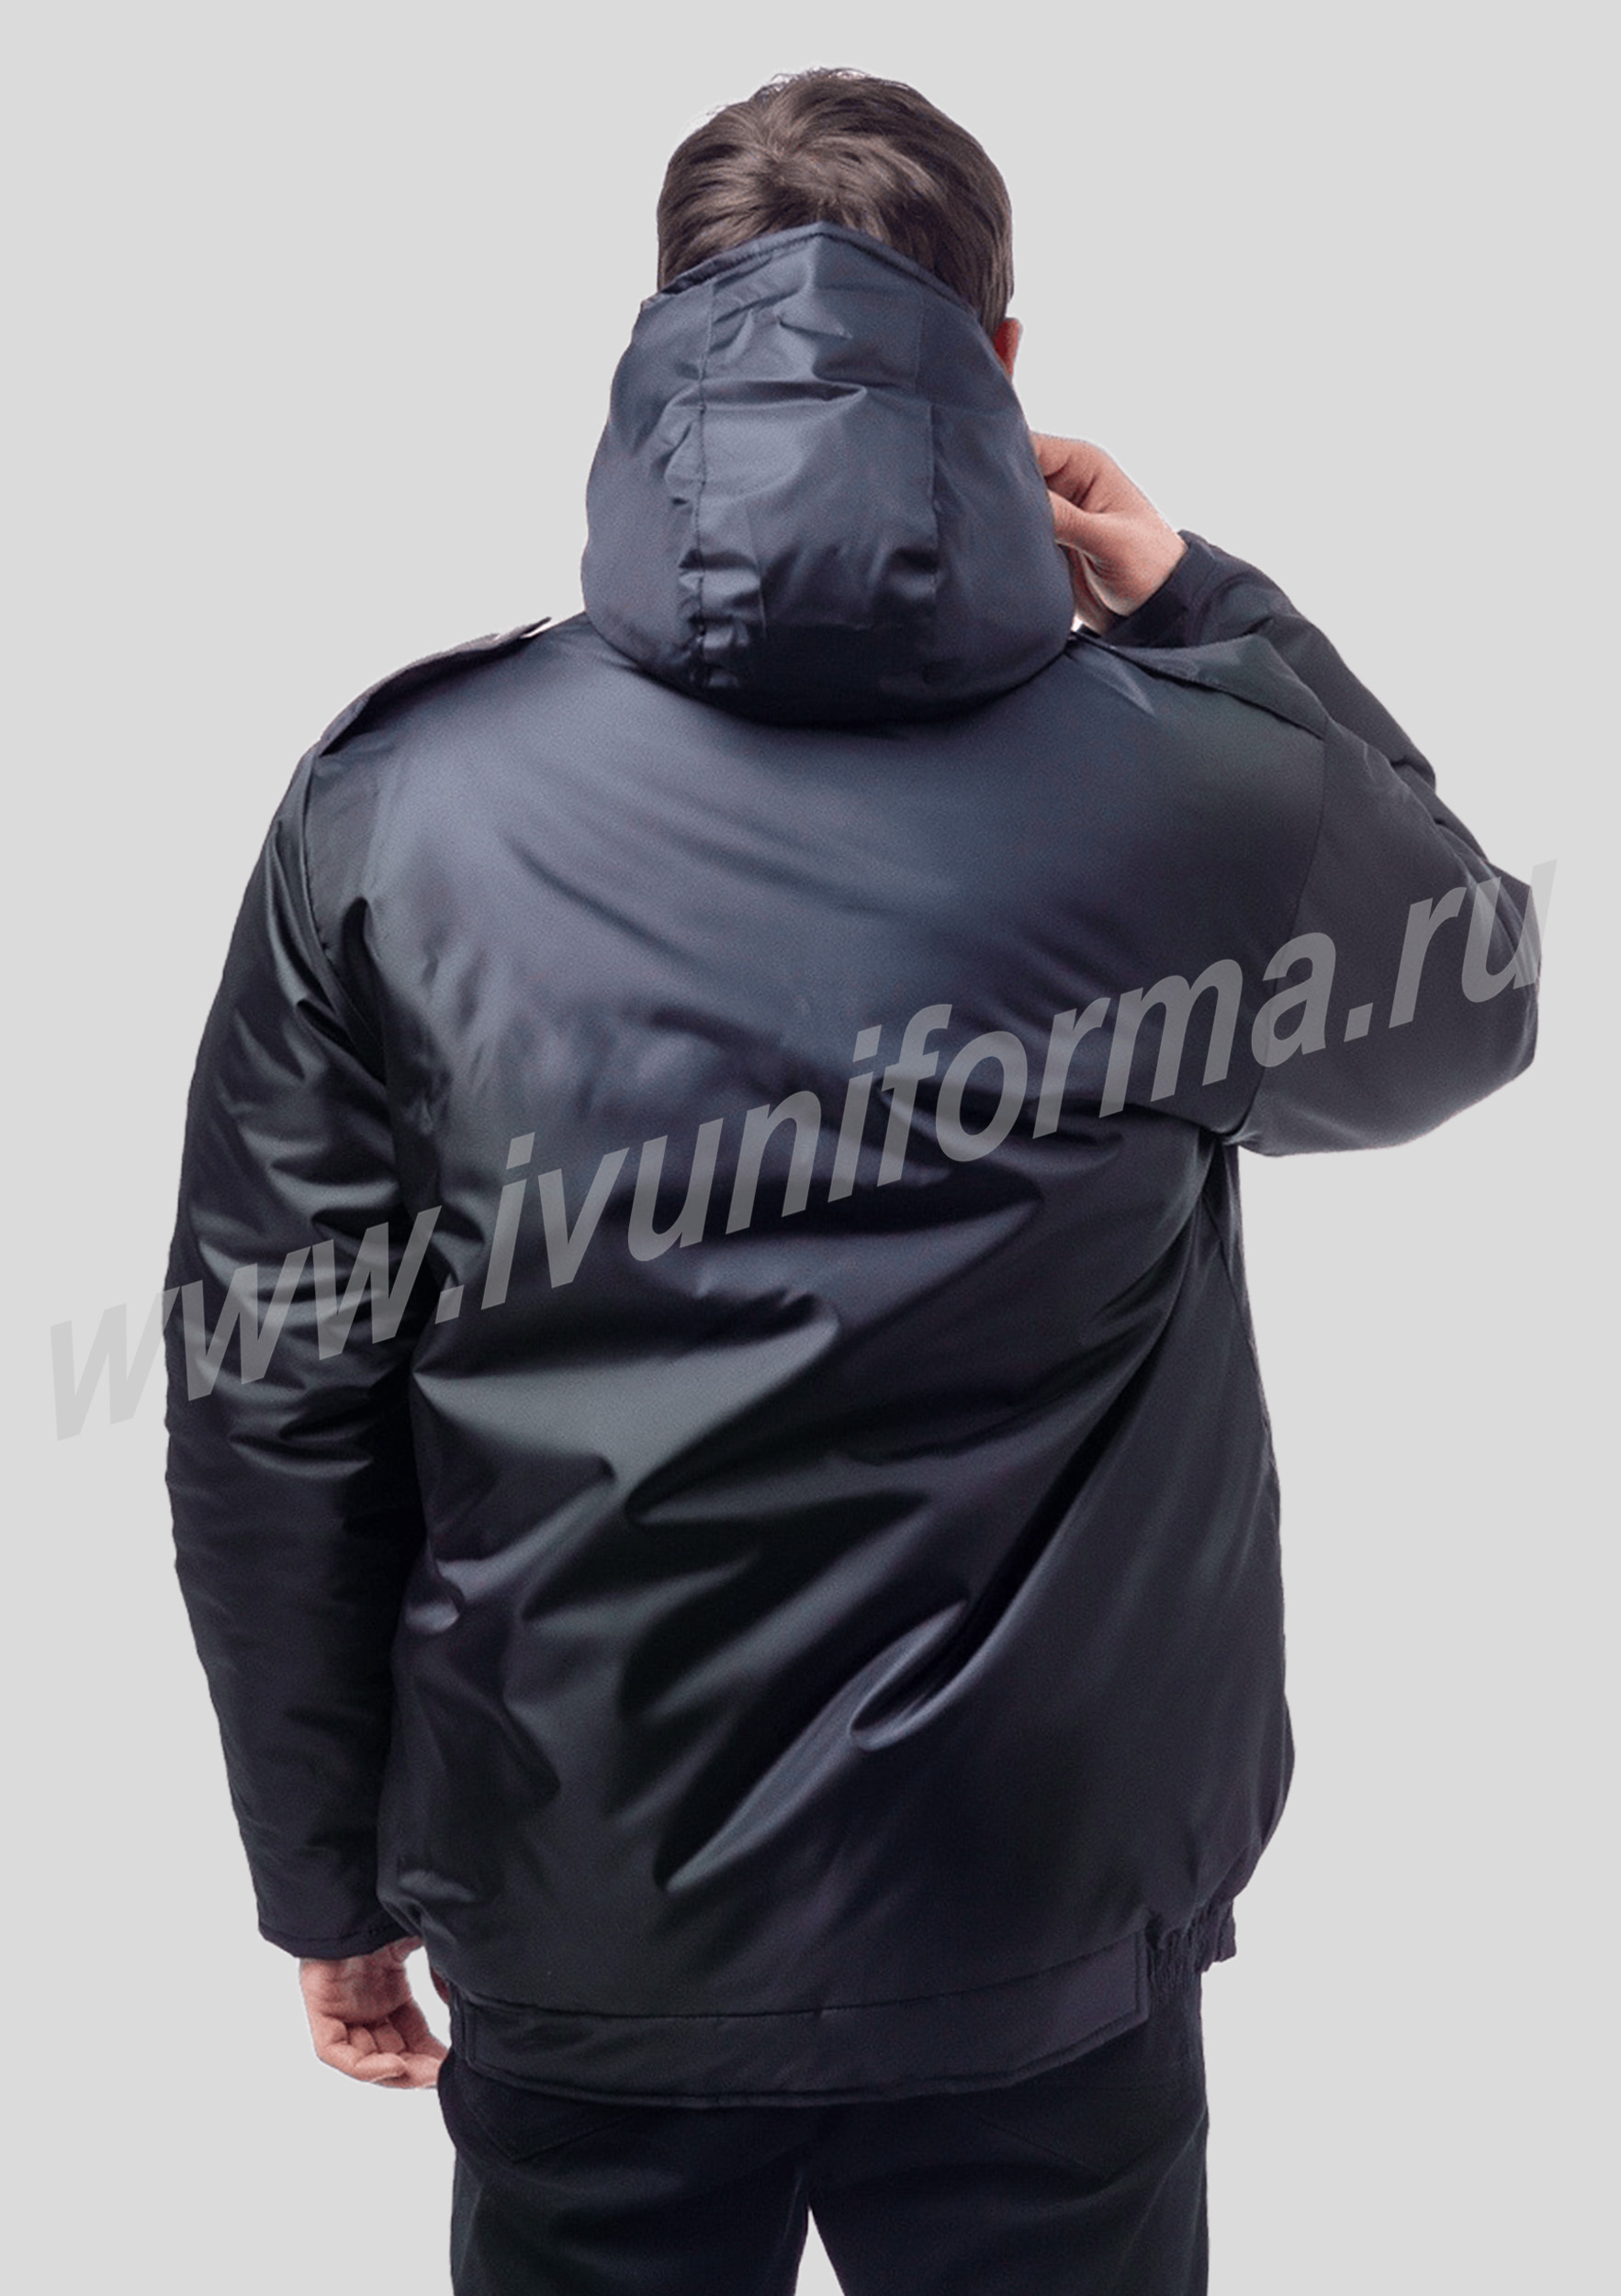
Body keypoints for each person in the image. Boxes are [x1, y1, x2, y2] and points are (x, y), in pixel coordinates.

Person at [165, 67, 1539, 2296]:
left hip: (584, 1897)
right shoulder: (1184, 790)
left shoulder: (400, 802)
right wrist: (1207, 606)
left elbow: (271, 1394)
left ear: (656, 340)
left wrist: (322, 1872)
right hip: (1038, 1913)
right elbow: (1467, 1004)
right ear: (996, 361)